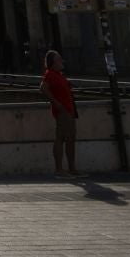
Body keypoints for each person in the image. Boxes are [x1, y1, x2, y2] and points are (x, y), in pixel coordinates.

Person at [40, 47, 78, 175]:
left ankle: (70, 168)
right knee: (62, 138)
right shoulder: (50, 74)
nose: (62, 61)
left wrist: (68, 84)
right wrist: (56, 103)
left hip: (68, 110)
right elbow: (43, 88)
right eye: (59, 59)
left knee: (70, 138)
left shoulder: (58, 75)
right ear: (52, 62)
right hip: (63, 111)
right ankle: (61, 169)